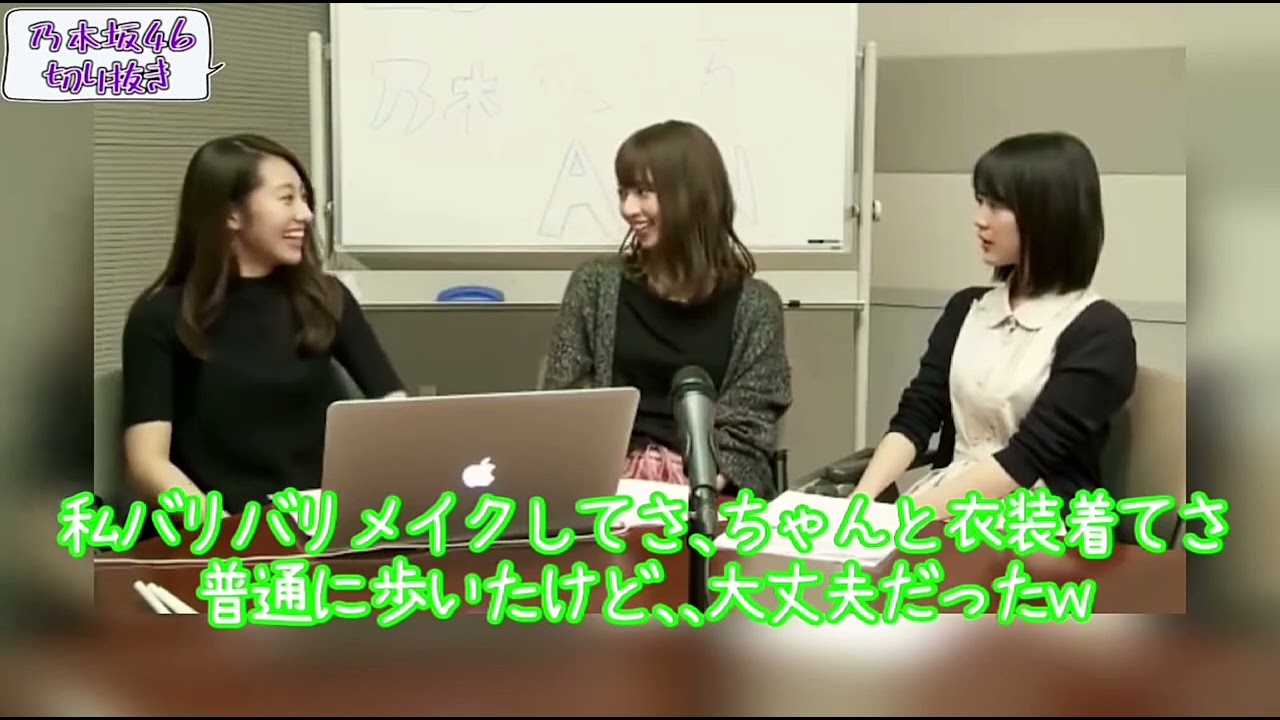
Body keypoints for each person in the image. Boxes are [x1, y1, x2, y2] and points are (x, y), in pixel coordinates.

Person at [850, 131, 1137, 517]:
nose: (979, 219)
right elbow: (916, 416)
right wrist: (860, 503)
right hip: (946, 505)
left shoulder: (1100, 331)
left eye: (997, 205)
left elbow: (1025, 459)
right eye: (980, 201)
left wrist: (902, 517)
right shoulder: (966, 308)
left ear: (1049, 215)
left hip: (1041, 521)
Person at [120, 133, 405, 513]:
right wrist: (223, 528)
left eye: (304, 198)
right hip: (219, 527)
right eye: (287, 198)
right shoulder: (159, 316)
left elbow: (393, 407)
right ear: (231, 214)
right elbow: (148, 463)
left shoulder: (325, 298)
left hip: (318, 520)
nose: (305, 214)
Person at [541, 120, 793, 500]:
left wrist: (685, 487)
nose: (628, 209)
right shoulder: (594, 285)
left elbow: (749, 430)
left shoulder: (756, 307)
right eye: (623, 192)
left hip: (705, 491)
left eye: (644, 193)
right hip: (606, 486)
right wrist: (621, 480)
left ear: (691, 196)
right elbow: (567, 404)